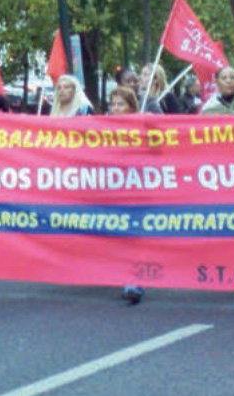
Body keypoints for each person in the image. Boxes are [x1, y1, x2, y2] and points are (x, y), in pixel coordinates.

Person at [106, 86, 148, 305]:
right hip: (114, 191)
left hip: (138, 190)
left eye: (120, 104)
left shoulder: (143, 125)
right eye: (112, 104)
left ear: (131, 106)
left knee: (135, 238)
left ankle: (134, 281)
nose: (115, 108)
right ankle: (125, 276)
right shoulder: (102, 128)